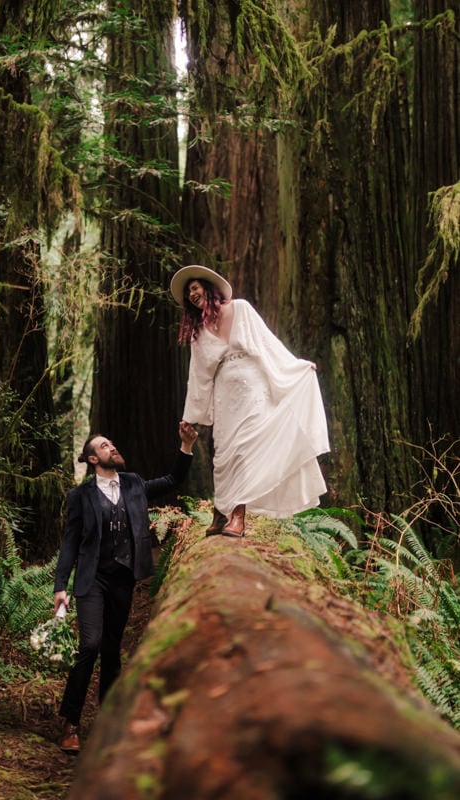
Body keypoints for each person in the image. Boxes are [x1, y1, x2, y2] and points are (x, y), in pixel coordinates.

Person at [53, 421, 198, 754]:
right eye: (104, 446)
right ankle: (71, 722)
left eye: (112, 443)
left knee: (111, 649)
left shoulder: (133, 484)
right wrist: (61, 587)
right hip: (92, 579)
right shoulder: (81, 496)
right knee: (89, 644)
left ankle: (108, 721)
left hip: (123, 578)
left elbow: (174, 479)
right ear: (92, 459)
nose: (112, 447)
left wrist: (186, 446)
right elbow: (70, 543)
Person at [170, 265, 329, 538]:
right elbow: (198, 375)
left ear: (208, 287)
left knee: (245, 449)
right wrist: (191, 415)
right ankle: (220, 514)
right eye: (188, 293)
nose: (192, 294)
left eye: (195, 287)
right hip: (224, 394)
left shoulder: (241, 308)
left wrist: (296, 366)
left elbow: (267, 342)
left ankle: (238, 518)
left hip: (253, 388)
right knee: (224, 454)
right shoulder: (199, 332)